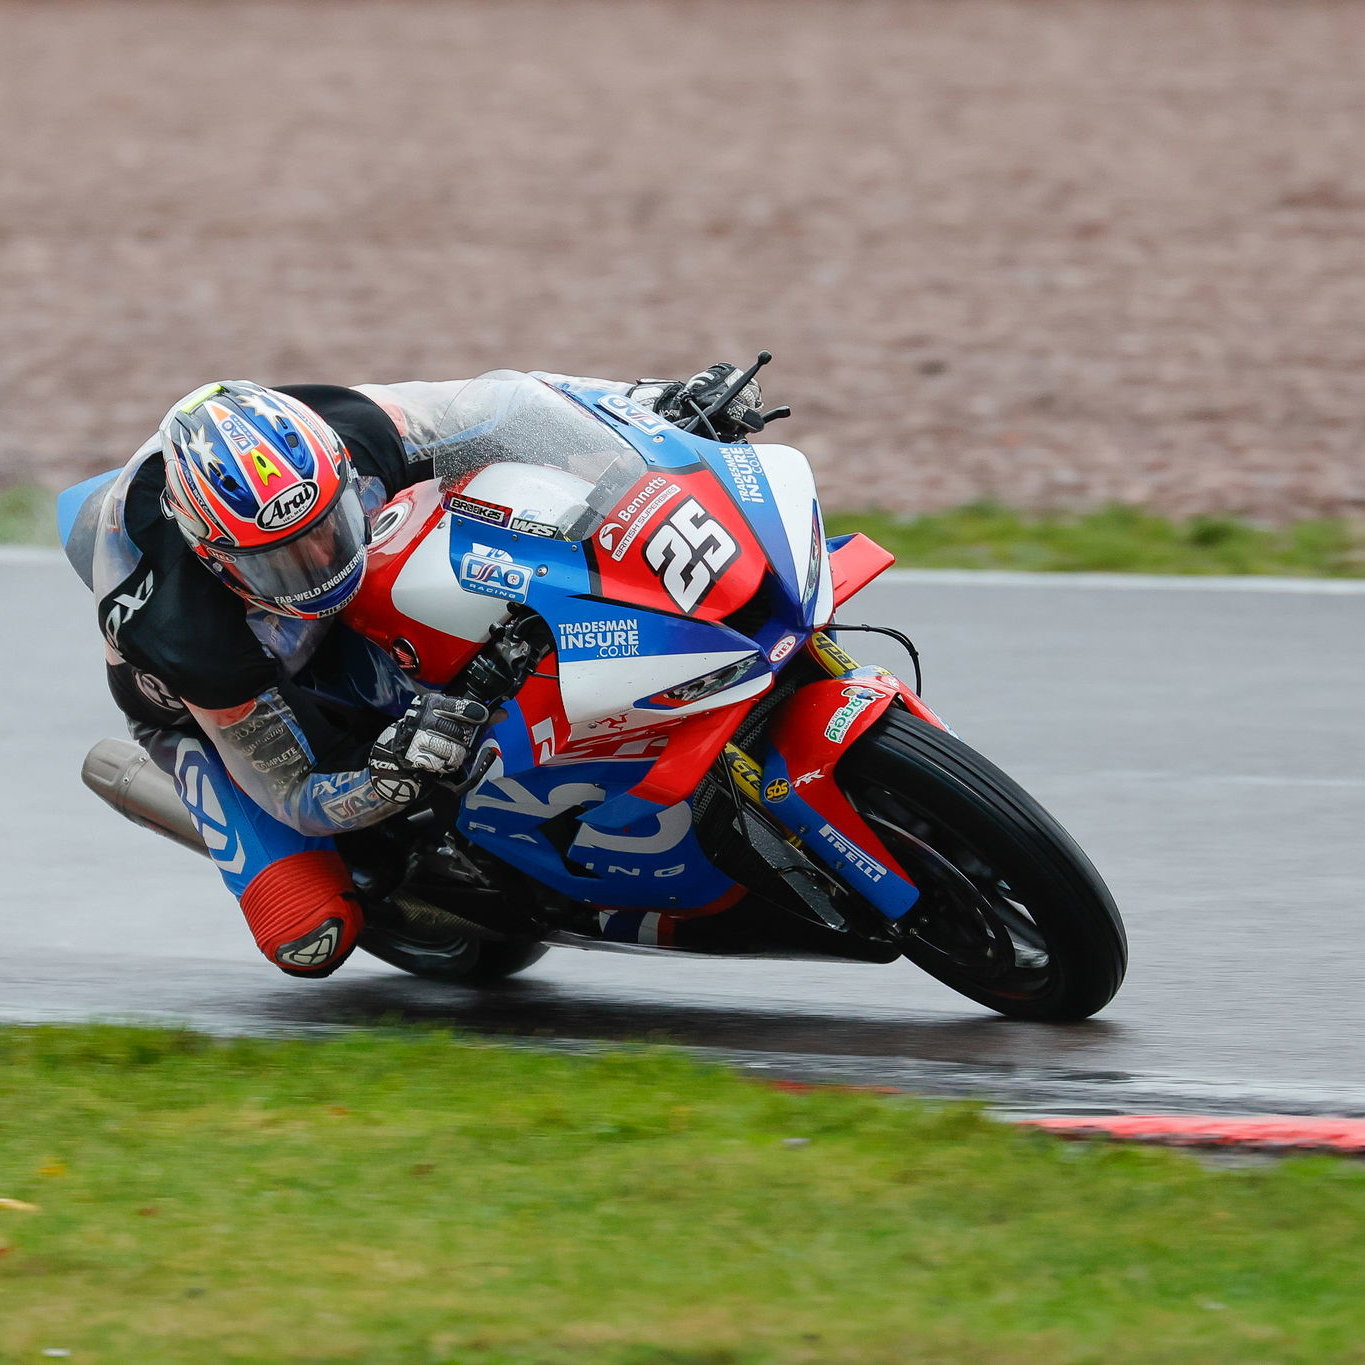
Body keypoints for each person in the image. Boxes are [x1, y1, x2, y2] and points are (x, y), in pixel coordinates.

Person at [73, 364, 763, 977]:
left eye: (326, 529)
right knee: (308, 934)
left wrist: (655, 402)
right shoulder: (183, 632)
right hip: (208, 709)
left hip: (335, 588)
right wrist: (388, 773)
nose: (317, 564)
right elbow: (298, 790)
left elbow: (515, 408)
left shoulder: (353, 428)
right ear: (212, 552)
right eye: (278, 561)